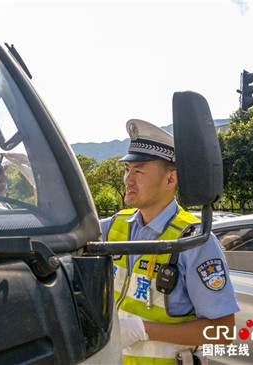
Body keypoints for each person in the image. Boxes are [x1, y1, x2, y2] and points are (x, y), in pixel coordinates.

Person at [100, 119, 240, 365]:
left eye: (139, 171)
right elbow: (64, 234)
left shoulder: (193, 240)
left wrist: (143, 329)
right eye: (126, 170)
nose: (127, 180)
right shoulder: (114, 226)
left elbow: (224, 331)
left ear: (170, 180)